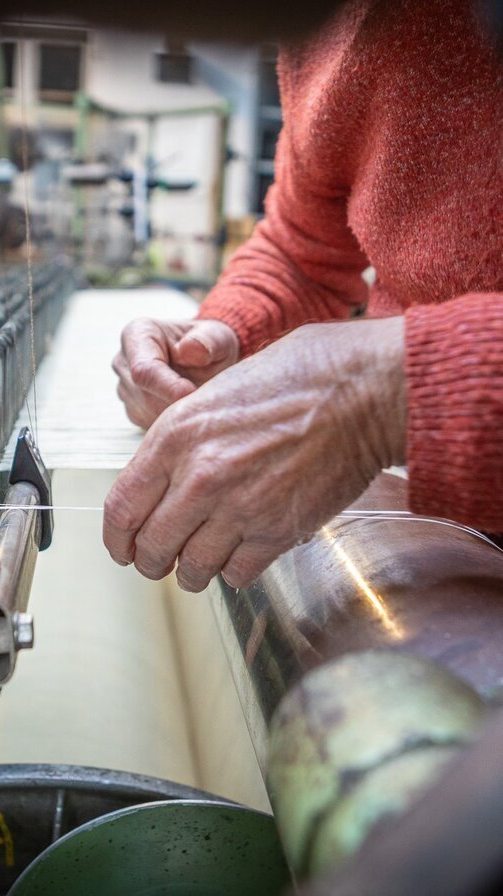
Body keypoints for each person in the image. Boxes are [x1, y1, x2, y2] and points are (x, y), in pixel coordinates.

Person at [103, 0, 502, 593]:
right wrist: (224, 335)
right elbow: (302, 246)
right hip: (436, 507)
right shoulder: (322, 29)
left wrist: (385, 397)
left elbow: (378, 395)